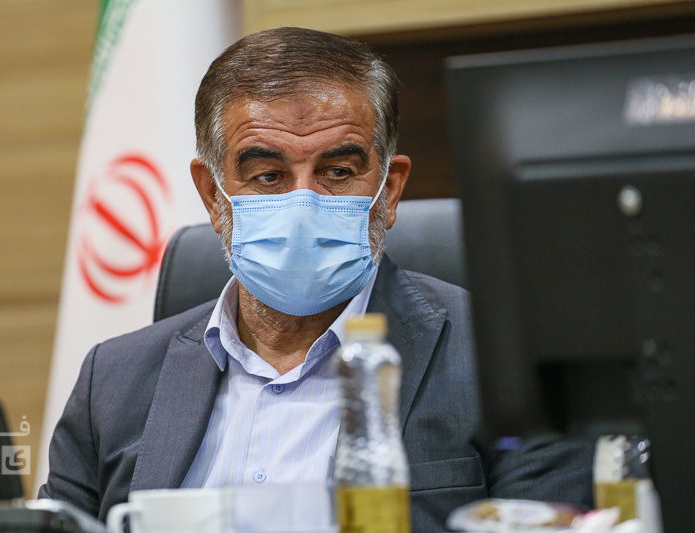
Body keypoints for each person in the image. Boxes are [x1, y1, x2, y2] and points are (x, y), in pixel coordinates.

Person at [39, 27, 593, 532]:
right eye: (268, 175)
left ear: (389, 189)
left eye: (337, 172)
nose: (302, 203)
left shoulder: (505, 358)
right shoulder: (113, 381)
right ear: (212, 195)